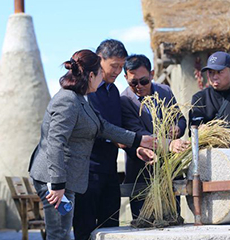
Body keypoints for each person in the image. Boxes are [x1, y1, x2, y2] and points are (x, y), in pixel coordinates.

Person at [28, 49, 153, 240]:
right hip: (53, 178)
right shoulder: (67, 100)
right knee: (59, 233)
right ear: (92, 75)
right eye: (100, 74)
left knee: (63, 232)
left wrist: (139, 139)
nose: (104, 78)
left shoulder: (81, 99)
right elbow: (55, 142)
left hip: (66, 178)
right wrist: (58, 184)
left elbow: (103, 127)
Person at [73, 39, 129, 240]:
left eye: (121, 67)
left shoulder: (114, 92)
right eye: (114, 66)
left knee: (112, 227)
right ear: (99, 60)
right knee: (84, 228)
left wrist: (133, 144)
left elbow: (118, 128)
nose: (117, 71)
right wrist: (126, 139)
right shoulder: (85, 91)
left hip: (110, 170)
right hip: (87, 171)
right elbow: (100, 127)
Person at [120, 54, 188, 218]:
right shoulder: (124, 100)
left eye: (143, 81)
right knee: (144, 224)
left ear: (151, 74)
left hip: (170, 170)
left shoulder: (164, 91)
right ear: (125, 78)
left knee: (172, 220)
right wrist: (169, 143)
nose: (139, 86)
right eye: (133, 83)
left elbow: (180, 118)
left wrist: (178, 128)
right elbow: (139, 135)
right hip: (142, 173)